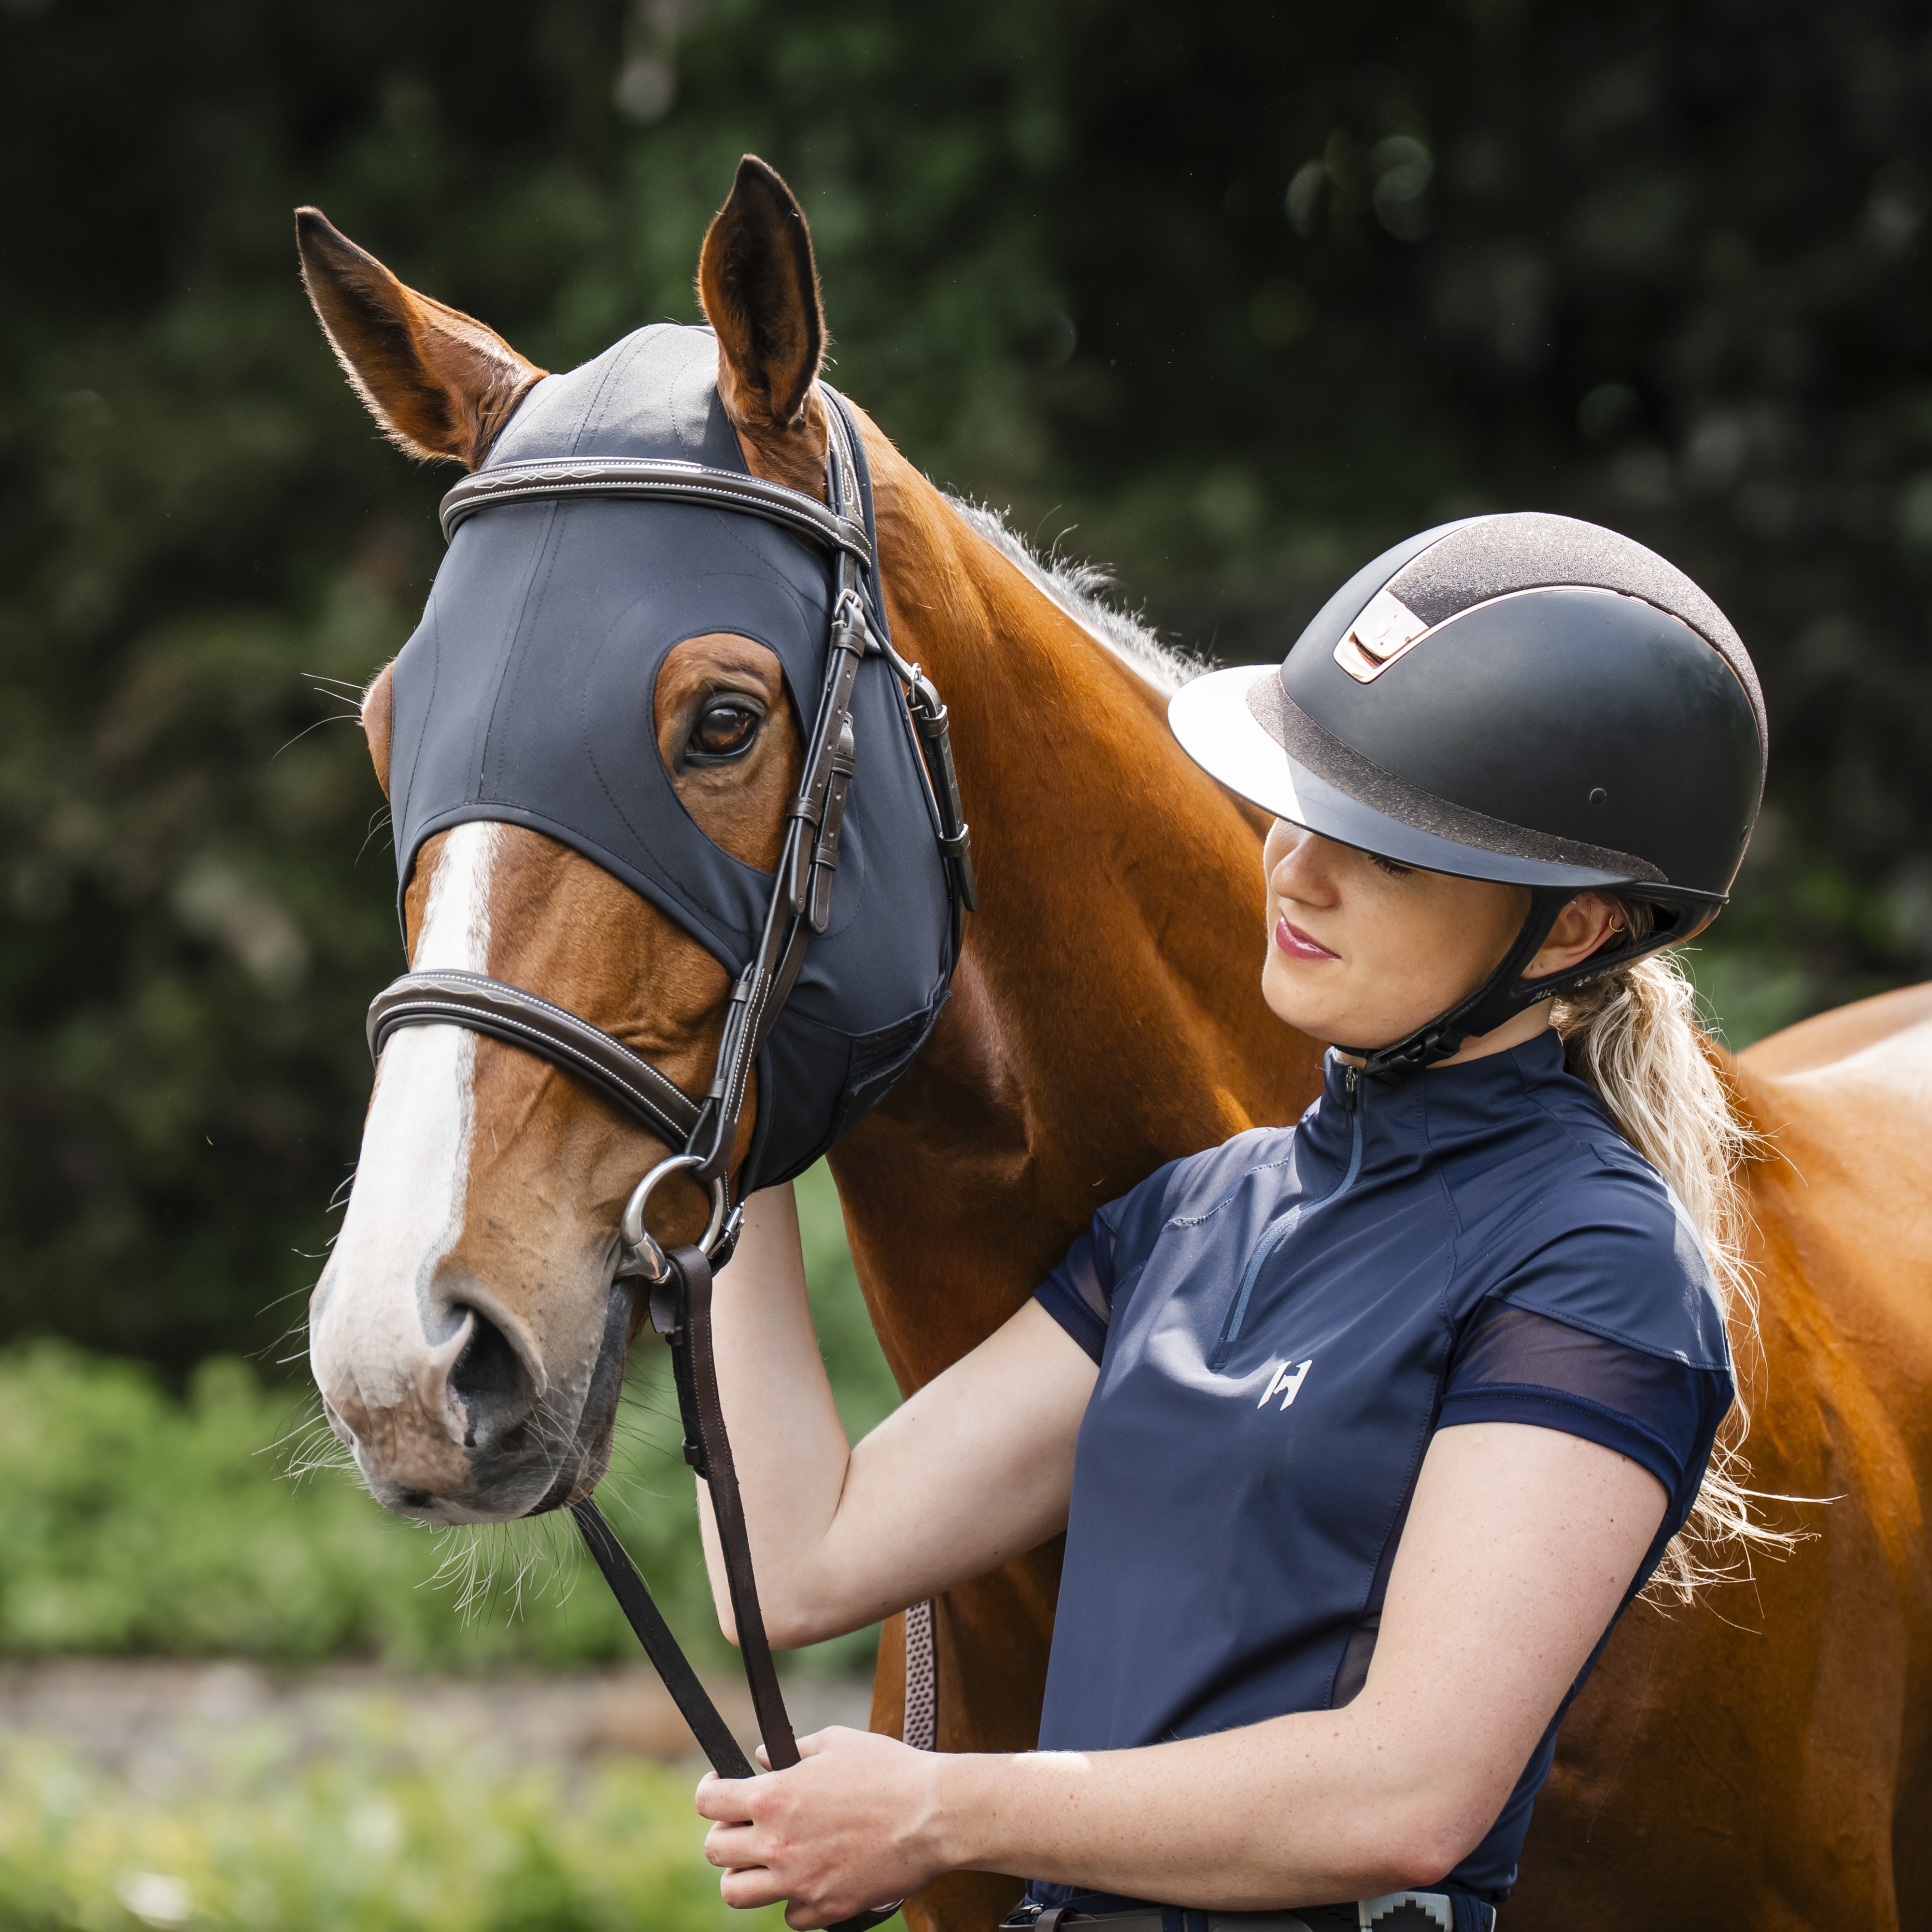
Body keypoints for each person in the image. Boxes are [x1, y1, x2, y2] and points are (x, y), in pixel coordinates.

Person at [688, 513, 1775, 1932]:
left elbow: (1410, 1795)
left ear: (1571, 934)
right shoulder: (1196, 1215)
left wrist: (941, 1809)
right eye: (1303, 804)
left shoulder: (1594, 1263)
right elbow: (794, 1563)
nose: (1297, 869)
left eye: (1385, 853)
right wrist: (734, 1105)